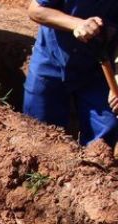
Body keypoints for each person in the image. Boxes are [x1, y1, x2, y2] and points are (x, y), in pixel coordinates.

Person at [24, 0, 118, 146]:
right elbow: (36, 10)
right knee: (38, 131)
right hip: (50, 60)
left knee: (106, 133)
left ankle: (93, 168)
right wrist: (76, 24)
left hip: (97, 71)